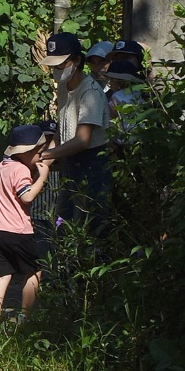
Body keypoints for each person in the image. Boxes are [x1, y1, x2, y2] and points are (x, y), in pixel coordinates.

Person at [40, 32, 111, 233]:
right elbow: (60, 133)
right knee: (64, 222)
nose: (56, 70)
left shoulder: (90, 93)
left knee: (91, 226)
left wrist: (47, 155)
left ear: (76, 61)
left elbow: (82, 140)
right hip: (70, 162)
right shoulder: (64, 86)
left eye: (60, 64)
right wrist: (43, 160)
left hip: (92, 165)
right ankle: (66, 265)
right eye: (53, 66)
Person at [0, 125, 53, 323]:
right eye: (39, 153)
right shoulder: (21, 169)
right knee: (35, 270)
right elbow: (27, 197)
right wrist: (42, 177)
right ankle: (25, 315)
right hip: (18, 231)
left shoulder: (2, 166)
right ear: (27, 152)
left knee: (2, 275)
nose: (40, 157)